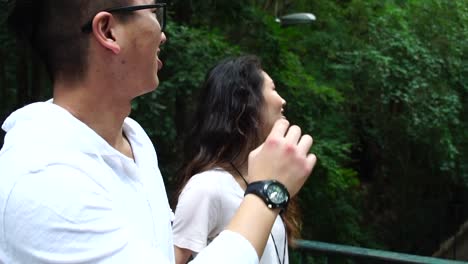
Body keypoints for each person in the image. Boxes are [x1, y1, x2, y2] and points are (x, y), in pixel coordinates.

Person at [0, 0, 317, 263]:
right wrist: (267, 192)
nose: (163, 35)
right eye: (154, 12)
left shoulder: (134, 139)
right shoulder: (44, 180)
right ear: (108, 31)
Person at [173, 55, 300, 264]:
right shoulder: (207, 187)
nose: (283, 100)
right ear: (247, 103)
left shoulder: (259, 183)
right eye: (274, 89)